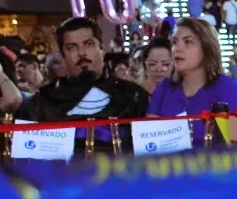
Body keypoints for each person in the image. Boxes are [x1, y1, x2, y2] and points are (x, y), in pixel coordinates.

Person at [15, 16, 152, 152]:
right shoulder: (38, 105)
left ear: (102, 48)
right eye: (72, 47)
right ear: (62, 56)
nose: (81, 53)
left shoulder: (134, 97)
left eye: (88, 44)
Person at [149, 17, 237, 147]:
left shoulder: (227, 87)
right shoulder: (164, 87)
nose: (177, 49)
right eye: (174, 42)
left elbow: (235, 138)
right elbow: (150, 138)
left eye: (188, 42)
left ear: (207, 49)